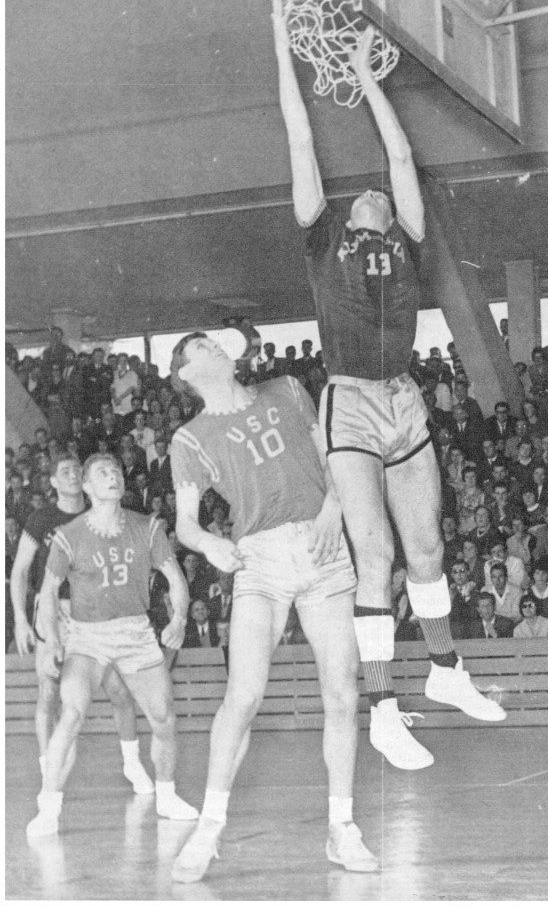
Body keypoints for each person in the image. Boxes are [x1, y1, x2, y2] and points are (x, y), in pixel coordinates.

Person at [272, 0, 504, 769]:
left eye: (377, 191)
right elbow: (301, 143)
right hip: (350, 404)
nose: (371, 188)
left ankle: (445, 672)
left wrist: (368, 73)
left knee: (428, 549)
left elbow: (401, 156)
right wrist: (285, 44)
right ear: (346, 217)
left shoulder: (403, 237)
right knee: (374, 558)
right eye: (362, 194)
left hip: (404, 398)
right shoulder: (320, 240)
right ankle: (381, 707)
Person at [168, 332, 377, 881]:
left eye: (217, 343)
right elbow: (186, 524)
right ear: (187, 374)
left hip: (323, 544)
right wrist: (210, 543)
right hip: (258, 560)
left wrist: (336, 505)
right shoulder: (189, 439)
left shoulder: (285, 388)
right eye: (203, 349)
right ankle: (209, 828)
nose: (217, 349)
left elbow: (334, 454)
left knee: (342, 690)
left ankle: (342, 827)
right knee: (243, 694)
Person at [25, 453, 196, 837]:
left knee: (164, 715)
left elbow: (175, 578)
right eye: (102, 472)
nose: (113, 475)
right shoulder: (69, 535)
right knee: (71, 711)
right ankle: (48, 807)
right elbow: (48, 593)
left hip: (135, 632)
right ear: (86, 487)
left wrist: (180, 618)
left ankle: (166, 796)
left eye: (117, 469)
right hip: (87, 636)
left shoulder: (147, 527)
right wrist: (52, 638)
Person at [10, 454, 153, 796]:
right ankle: (49, 771)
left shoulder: (101, 515)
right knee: (48, 690)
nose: (72, 474)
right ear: (54, 482)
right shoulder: (42, 518)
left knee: (119, 690)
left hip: (94, 608)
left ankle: (131, 762)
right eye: (64, 471)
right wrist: (19, 619)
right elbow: (20, 571)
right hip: (54, 609)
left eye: (77, 469)